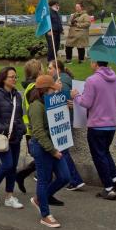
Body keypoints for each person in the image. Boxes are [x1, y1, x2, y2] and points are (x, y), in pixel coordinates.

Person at [71, 60, 116, 200]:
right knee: (105, 152)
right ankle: (115, 179)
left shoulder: (92, 80)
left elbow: (86, 102)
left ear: (95, 63)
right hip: (111, 124)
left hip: (96, 125)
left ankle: (108, 188)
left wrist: (76, 95)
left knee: (98, 156)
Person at [27, 75, 70, 228]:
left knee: (65, 177)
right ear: (46, 89)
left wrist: (67, 106)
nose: (54, 91)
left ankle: (40, 198)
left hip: (54, 146)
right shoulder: (36, 106)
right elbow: (38, 131)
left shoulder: (49, 102)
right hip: (42, 147)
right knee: (44, 180)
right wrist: (52, 151)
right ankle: (45, 215)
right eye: (52, 88)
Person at [0, 67, 26, 210]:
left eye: (15, 77)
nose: (14, 79)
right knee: (7, 164)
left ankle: (9, 196)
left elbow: (19, 115)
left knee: (13, 167)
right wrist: (1, 127)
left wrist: (21, 129)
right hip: (2, 137)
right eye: (11, 77)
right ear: (3, 79)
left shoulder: (17, 95)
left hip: (15, 136)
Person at [47, 60, 85, 190]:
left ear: (58, 69)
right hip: (65, 121)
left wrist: (55, 90)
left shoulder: (61, 83)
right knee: (59, 150)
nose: (48, 70)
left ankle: (75, 179)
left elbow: (63, 102)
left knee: (62, 151)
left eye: (50, 68)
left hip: (62, 122)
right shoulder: (66, 80)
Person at [14, 59, 42, 191]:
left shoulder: (30, 87)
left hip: (31, 130)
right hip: (35, 130)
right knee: (43, 158)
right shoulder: (34, 88)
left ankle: (21, 175)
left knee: (42, 159)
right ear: (38, 71)